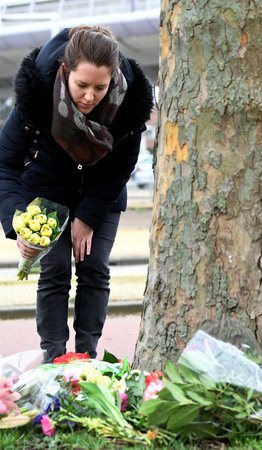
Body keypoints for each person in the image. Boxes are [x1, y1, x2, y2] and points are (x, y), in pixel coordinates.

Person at [0, 25, 154, 362]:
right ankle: (54, 359)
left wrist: (87, 216)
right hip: (45, 193)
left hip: (100, 196)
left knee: (94, 268)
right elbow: (5, 162)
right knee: (54, 271)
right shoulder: (36, 94)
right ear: (64, 72)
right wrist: (18, 220)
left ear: (113, 78)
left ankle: (87, 359)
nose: (89, 96)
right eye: (81, 85)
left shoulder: (130, 103)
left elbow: (120, 168)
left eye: (100, 87)